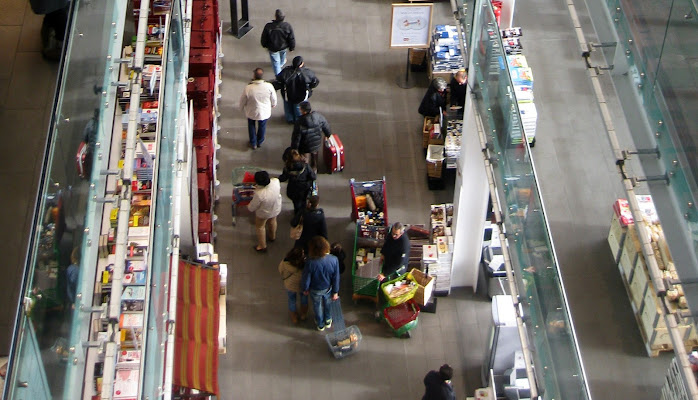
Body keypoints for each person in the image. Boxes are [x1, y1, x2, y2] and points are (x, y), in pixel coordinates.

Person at [301, 236, 340, 331]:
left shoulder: (310, 262)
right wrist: (335, 292)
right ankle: (328, 320)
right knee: (328, 304)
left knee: (317, 306)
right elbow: (336, 278)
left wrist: (305, 289)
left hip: (315, 289)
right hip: (328, 288)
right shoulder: (334, 259)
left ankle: (320, 324)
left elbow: (306, 278)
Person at [239, 68, 277, 149]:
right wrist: (274, 104)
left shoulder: (248, 88)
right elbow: (273, 97)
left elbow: (243, 99)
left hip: (252, 111)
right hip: (264, 111)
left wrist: (241, 107)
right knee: (262, 126)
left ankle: (253, 143)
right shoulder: (268, 86)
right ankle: (260, 141)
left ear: (254, 76)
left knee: (251, 125)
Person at [275, 56, 319, 123]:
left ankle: (289, 119)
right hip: (301, 95)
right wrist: (310, 88)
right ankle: (298, 119)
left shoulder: (286, 71)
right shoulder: (307, 72)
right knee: (298, 107)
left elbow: (279, 81)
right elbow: (315, 82)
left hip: (288, 94)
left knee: (288, 106)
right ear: (301, 64)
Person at [290, 101, 332, 173]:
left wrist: (294, 148)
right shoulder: (318, 116)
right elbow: (326, 125)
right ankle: (314, 169)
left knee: (305, 158)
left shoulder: (299, 122)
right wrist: (328, 135)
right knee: (314, 155)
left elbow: (296, 137)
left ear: (303, 111)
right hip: (316, 143)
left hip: (305, 145)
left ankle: (305, 170)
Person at [247, 171, 282, 252]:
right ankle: (272, 237)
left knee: (260, 227)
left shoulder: (259, 193)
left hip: (264, 213)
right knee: (273, 221)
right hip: (275, 208)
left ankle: (262, 246)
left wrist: (248, 207)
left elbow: (253, 206)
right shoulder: (276, 182)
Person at [279, 149, 316, 214]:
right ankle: (303, 213)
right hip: (304, 188)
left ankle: (297, 214)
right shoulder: (305, 166)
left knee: (296, 203)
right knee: (303, 201)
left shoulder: (288, 168)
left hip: (293, 189)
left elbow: (283, 178)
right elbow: (313, 177)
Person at [278, 247, 309, 324]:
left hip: (290, 285)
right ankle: (303, 314)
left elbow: (280, 270)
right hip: (302, 286)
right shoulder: (305, 264)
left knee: (292, 300)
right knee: (304, 299)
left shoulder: (285, 263)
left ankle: (294, 317)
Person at [260, 9, 295, 76]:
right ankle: (281, 63)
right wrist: (292, 47)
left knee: (275, 62)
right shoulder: (287, 26)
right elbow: (291, 38)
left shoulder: (269, 26)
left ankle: (279, 77)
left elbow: (264, 37)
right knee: (283, 55)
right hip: (283, 46)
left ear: (275, 16)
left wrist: (264, 45)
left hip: (273, 48)